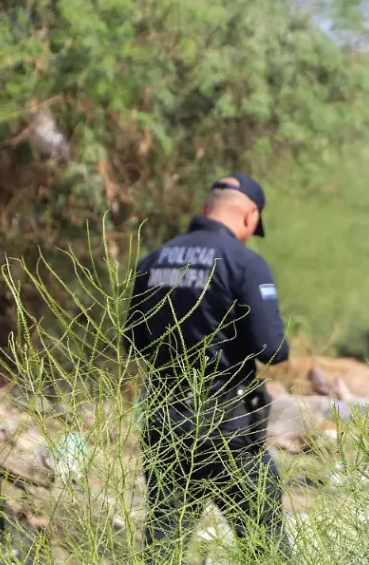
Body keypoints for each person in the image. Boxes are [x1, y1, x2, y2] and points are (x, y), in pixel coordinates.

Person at [125, 173, 291, 564]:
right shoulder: (245, 264)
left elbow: (134, 342)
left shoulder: (153, 260)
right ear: (250, 216)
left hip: (166, 422)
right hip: (227, 429)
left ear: (205, 208)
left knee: (163, 548)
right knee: (266, 548)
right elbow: (272, 349)